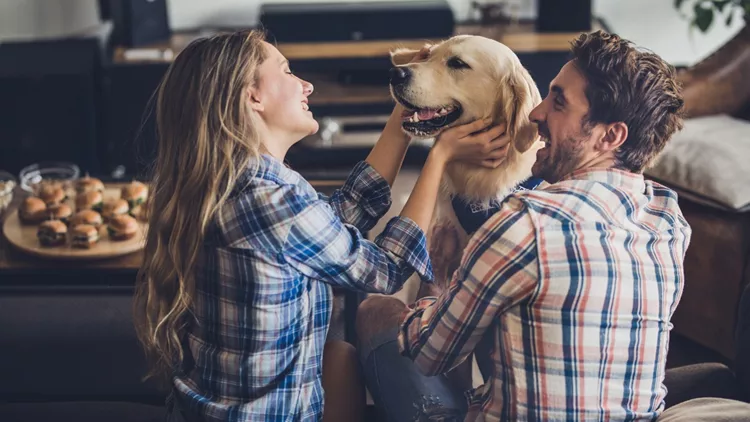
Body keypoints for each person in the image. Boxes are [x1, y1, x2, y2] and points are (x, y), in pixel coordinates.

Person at [132, 29, 508, 422]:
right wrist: (440, 156)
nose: (306, 85)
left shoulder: (249, 182)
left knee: (339, 356)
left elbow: (345, 212)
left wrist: (408, 115)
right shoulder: (269, 203)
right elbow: (385, 270)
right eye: (287, 71)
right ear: (252, 95)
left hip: (208, 406)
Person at [356, 30, 692, 421]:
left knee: (375, 310)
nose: (535, 112)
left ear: (610, 136)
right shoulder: (669, 221)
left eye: (559, 103)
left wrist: (437, 283)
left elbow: (431, 353)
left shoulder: (525, 223)